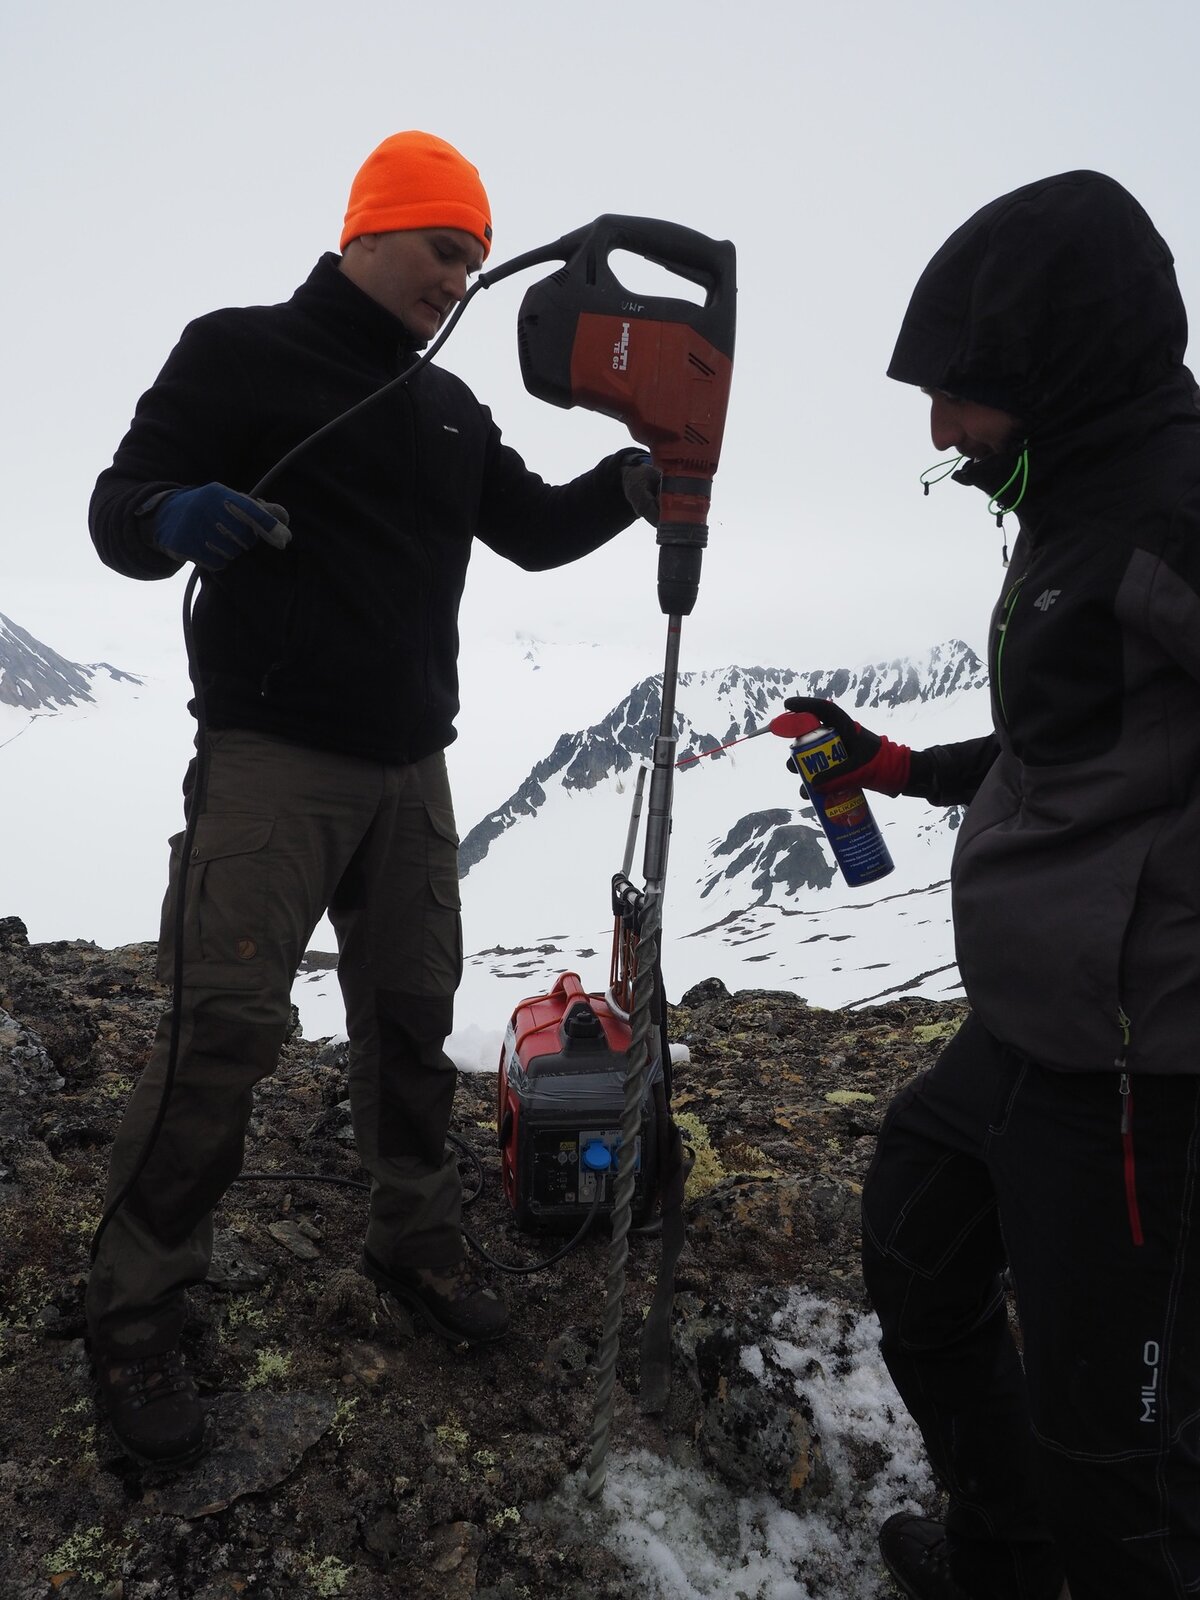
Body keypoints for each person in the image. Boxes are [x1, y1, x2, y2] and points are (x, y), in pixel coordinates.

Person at [85, 129, 659, 1468]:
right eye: (440, 247)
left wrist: (633, 485)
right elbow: (117, 509)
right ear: (367, 230)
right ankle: (136, 1312)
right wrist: (172, 514)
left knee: (411, 1020)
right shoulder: (237, 351)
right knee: (220, 1031)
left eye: (473, 257)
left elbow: (528, 527)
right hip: (272, 763)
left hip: (413, 770)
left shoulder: (447, 407)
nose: (458, 277)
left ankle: (413, 1240)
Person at [785, 171, 1200, 1599]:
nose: (940, 429)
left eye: (960, 393)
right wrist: (897, 766)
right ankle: (1003, 1557)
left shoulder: (1177, 515)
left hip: (1138, 1073)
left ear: (1056, 366)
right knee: (916, 1252)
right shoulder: (1073, 504)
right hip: (1028, 1027)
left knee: (1118, 1457)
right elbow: (1070, 736)